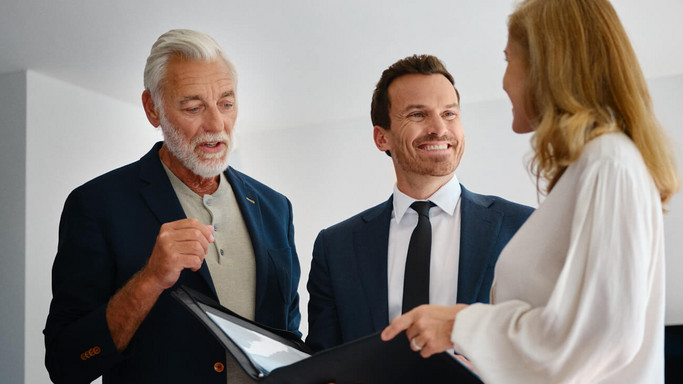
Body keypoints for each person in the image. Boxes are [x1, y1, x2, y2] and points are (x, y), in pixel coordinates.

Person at [381, 0, 681, 382]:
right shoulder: (588, 169)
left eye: (509, 60)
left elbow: (603, 333)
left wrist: (460, 325)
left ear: (547, 65)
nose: (504, 81)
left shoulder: (609, 162)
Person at [43, 29, 301, 384]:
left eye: (226, 103)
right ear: (153, 108)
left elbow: (288, 338)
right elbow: (66, 363)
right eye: (194, 107)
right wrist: (150, 279)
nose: (215, 125)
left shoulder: (275, 208)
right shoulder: (97, 205)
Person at [306, 54, 534, 352]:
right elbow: (321, 361)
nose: (439, 128)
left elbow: (551, 343)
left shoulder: (523, 228)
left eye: (450, 114)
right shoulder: (335, 247)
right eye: (417, 115)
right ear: (381, 138)